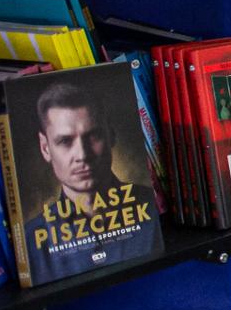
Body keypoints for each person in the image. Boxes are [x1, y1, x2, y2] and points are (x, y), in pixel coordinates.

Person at [25, 81, 160, 281]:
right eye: (65, 141)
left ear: (110, 135)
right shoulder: (30, 242)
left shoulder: (155, 209)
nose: (82, 155)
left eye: (93, 136)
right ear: (45, 148)